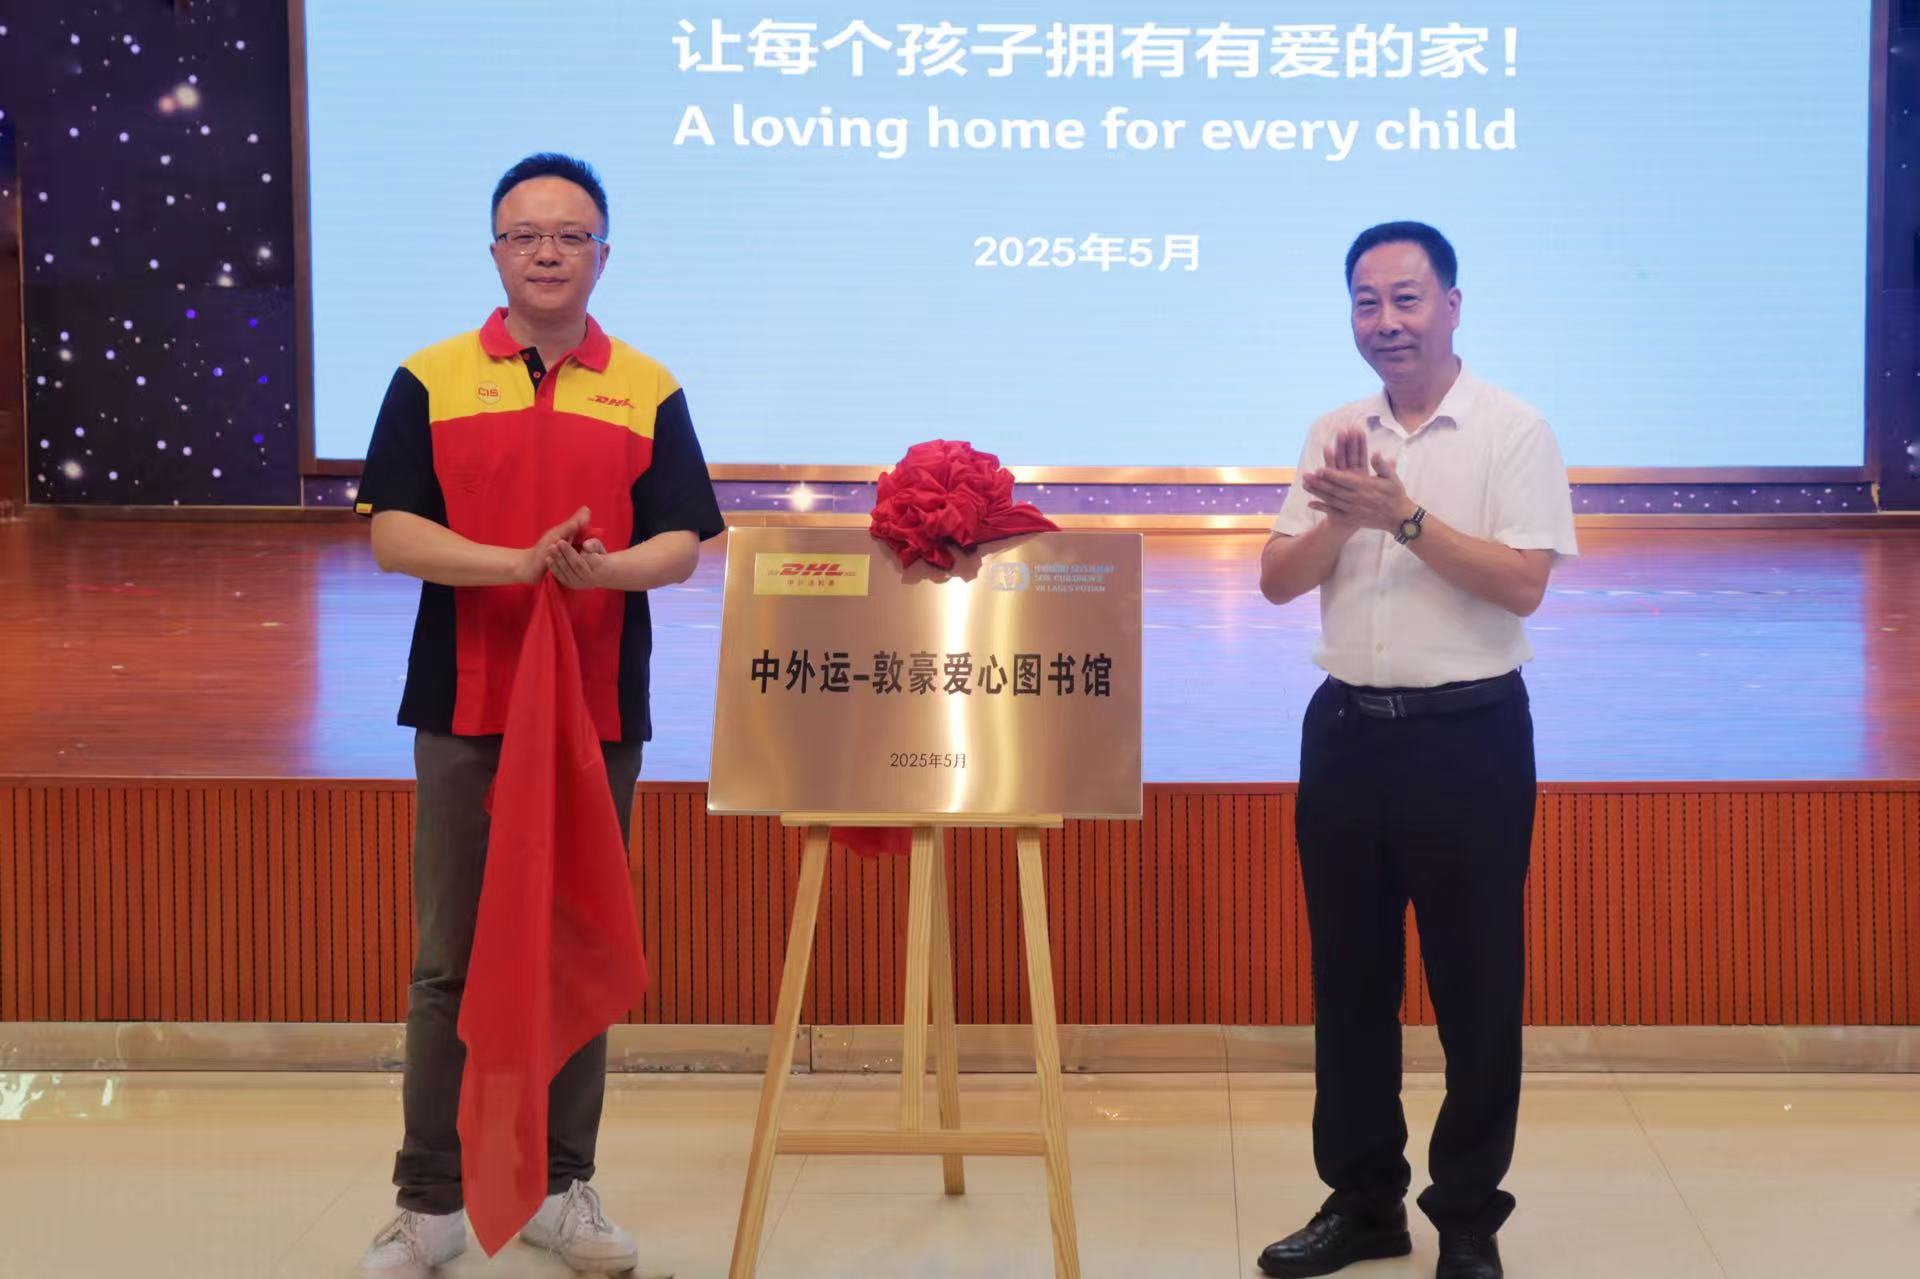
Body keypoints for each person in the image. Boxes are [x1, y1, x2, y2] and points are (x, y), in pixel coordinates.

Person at [351, 152, 725, 1276]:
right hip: (466, 700)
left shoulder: (647, 385)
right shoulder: (430, 377)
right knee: (450, 959)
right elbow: (393, 533)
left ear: (604, 255)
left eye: (571, 235)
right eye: (526, 235)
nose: (548, 252)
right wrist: (516, 563)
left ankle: (563, 1187)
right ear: (496, 252)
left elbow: (683, 540)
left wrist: (603, 573)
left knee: (575, 940)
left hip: (594, 709)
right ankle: (430, 1199)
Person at [1254, 222, 1577, 1279]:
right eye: (1366, 301)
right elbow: (1276, 580)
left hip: (1469, 739)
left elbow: (1523, 583)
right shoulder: (1334, 431)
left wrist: (1401, 517)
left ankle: (1470, 1217)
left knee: (1476, 987)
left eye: (1406, 298)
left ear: (1451, 305)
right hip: (1347, 734)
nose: (1385, 321)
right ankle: (1364, 1204)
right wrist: (1344, 520)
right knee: (1349, 982)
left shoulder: (1513, 430)